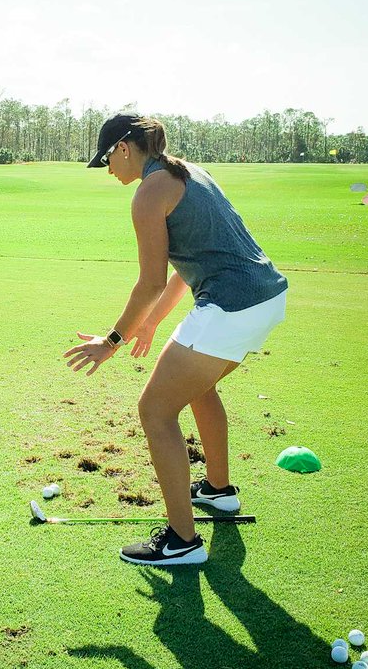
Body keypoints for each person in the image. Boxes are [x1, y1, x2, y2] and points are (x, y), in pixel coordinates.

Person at [64, 114, 287, 566]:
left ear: (125, 148)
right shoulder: (187, 171)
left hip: (231, 305)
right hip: (267, 298)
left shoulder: (150, 191)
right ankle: (219, 491)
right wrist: (148, 325)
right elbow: (181, 278)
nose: (109, 170)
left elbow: (150, 282)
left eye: (107, 159)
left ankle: (181, 542)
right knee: (200, 388)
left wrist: (111, 342)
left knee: (155, 409)